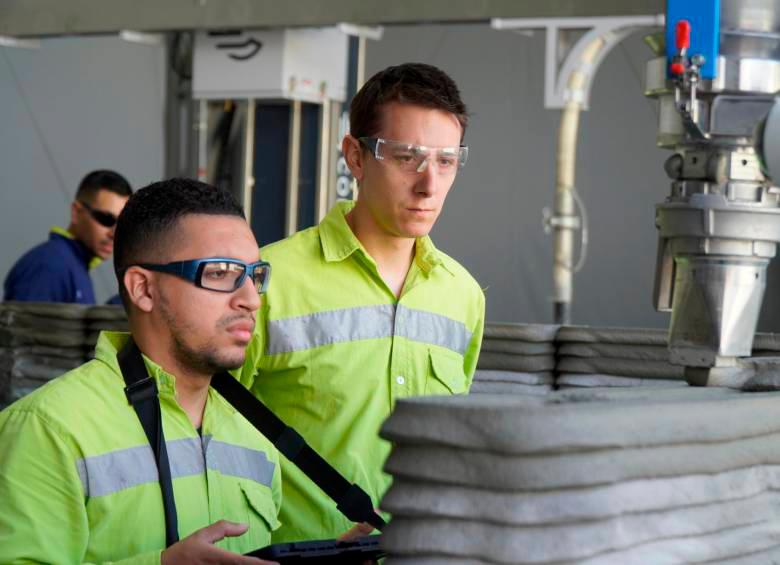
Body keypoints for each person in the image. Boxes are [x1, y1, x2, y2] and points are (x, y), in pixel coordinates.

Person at [238, 62, 486, 542]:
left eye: (446, 161)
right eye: (407, 157)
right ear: (355, 156)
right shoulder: (267, 281)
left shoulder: (463, 296)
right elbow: (205, 433)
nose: (429, 184)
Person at [0, 179, 283, 564]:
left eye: (255, 275)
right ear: (143, 289)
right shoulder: (49, 430)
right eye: (220, 273)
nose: (251, 299)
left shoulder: (257, 435)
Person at [3, 169, 132, 304]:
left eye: (122, 223)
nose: (114, 233)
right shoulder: (50, 265)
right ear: (76, 212)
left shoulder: (72, 265)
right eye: (106, 219)